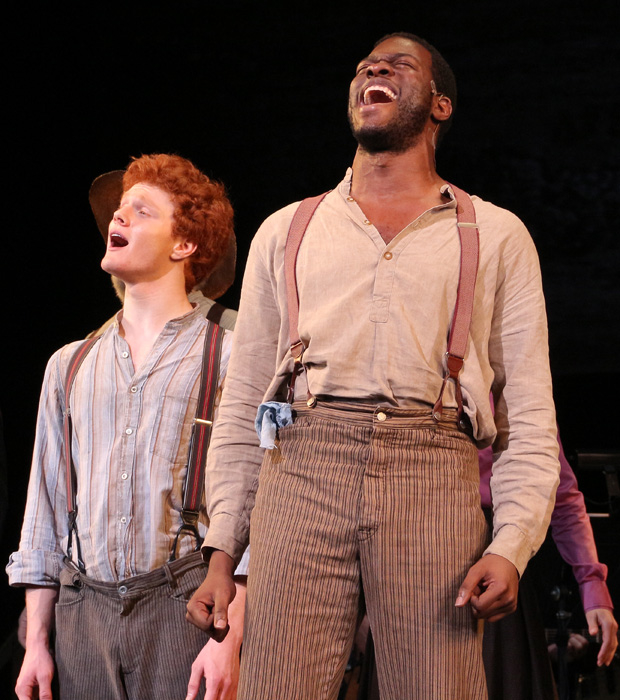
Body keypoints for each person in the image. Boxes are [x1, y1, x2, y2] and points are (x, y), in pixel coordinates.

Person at [187, 33, 561, 699]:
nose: (374, 68)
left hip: (432, 469)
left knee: (438, 689)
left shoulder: (496, 233)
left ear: (440, 105)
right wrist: (223, 553)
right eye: (365, 65)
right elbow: (251, 407)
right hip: (300, 466)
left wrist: (511, 545)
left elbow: (529, 419)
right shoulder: (288, 230)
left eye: (398, 64)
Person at [7, 153, 247, 700]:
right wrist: (37, 642)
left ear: (183, 245)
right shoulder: (68, 365)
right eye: (119, 211)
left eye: (141, 211)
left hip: (183, 607)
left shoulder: (229, 357)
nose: (119, 219)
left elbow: (255, 507)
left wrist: (228, 638)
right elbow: (43, 512)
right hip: (81, 614)